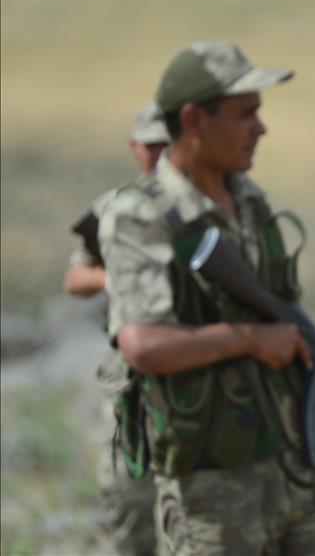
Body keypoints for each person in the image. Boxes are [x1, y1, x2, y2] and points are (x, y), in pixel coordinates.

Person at [99, 41, 315, 556]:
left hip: (303, 465)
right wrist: (247, 340)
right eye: (245, 115)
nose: (261, 128)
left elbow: (288, 325)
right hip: (214, 487)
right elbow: (143, 345)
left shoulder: (253, 203)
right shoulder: (139, 216)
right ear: (194, 119)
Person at [63, 101, 169, 556]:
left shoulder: (200, 204)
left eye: (167, 145)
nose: (159, 155)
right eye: (151, 146)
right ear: (135, 148)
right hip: (130, 376)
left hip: (193, 368)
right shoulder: (115, 207)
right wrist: (118, 277)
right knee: (128, 494)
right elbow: (75, 279)